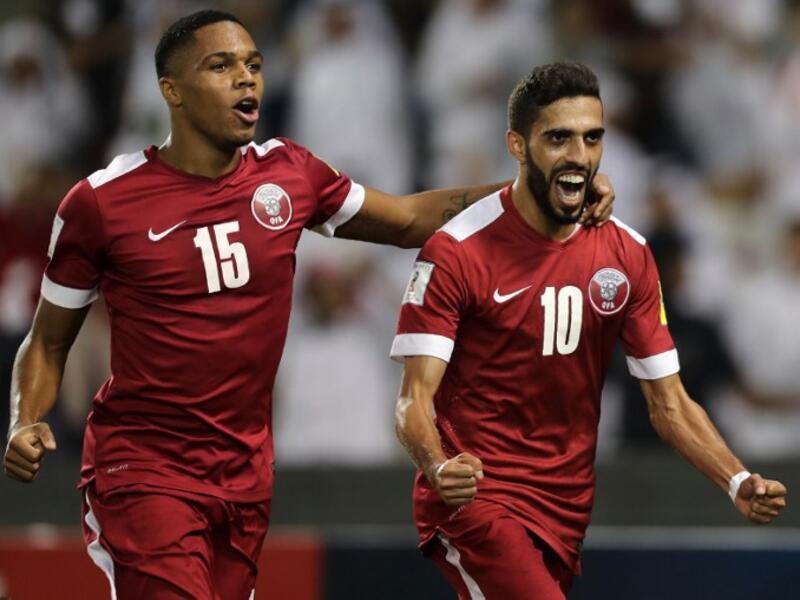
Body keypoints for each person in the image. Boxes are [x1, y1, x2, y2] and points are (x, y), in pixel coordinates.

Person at [2, 10, 615, 600]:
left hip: (243, 478)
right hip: (143, 472)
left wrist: (539, 188)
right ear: (173, 91)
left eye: (254, 63)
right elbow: (49, 340)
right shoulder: (101, 204)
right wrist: (26, 417)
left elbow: (405, 220)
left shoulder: (290, 174)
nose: (247, 78)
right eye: (221, 66)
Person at [391, 62, 788, 600]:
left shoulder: (627, 255)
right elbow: (413, 399)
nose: (579, 155)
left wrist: (737, 479)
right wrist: (437, 465)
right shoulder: (456, 251)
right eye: (558, 138)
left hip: (565, 508)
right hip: (478, 502)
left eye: (591, 137)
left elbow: (668, 403)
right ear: (517, 144)